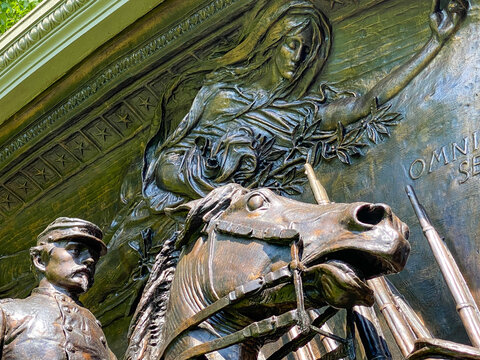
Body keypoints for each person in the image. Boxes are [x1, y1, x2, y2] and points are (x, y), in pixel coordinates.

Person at [142, 0, 468, 213]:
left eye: (306, 50)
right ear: (273, 44)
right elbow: (164, 167)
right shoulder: (222, 96)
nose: (298, 57)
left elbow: (364, 104)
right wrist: (220, 193)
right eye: (291, 44)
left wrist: (434, 43)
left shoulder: (301, 115)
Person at [0, 217, 117, 360]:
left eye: (94, 256)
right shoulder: (7, 313)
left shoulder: (96, 331)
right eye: (76, 250)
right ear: (40, 260)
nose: (90, 260)